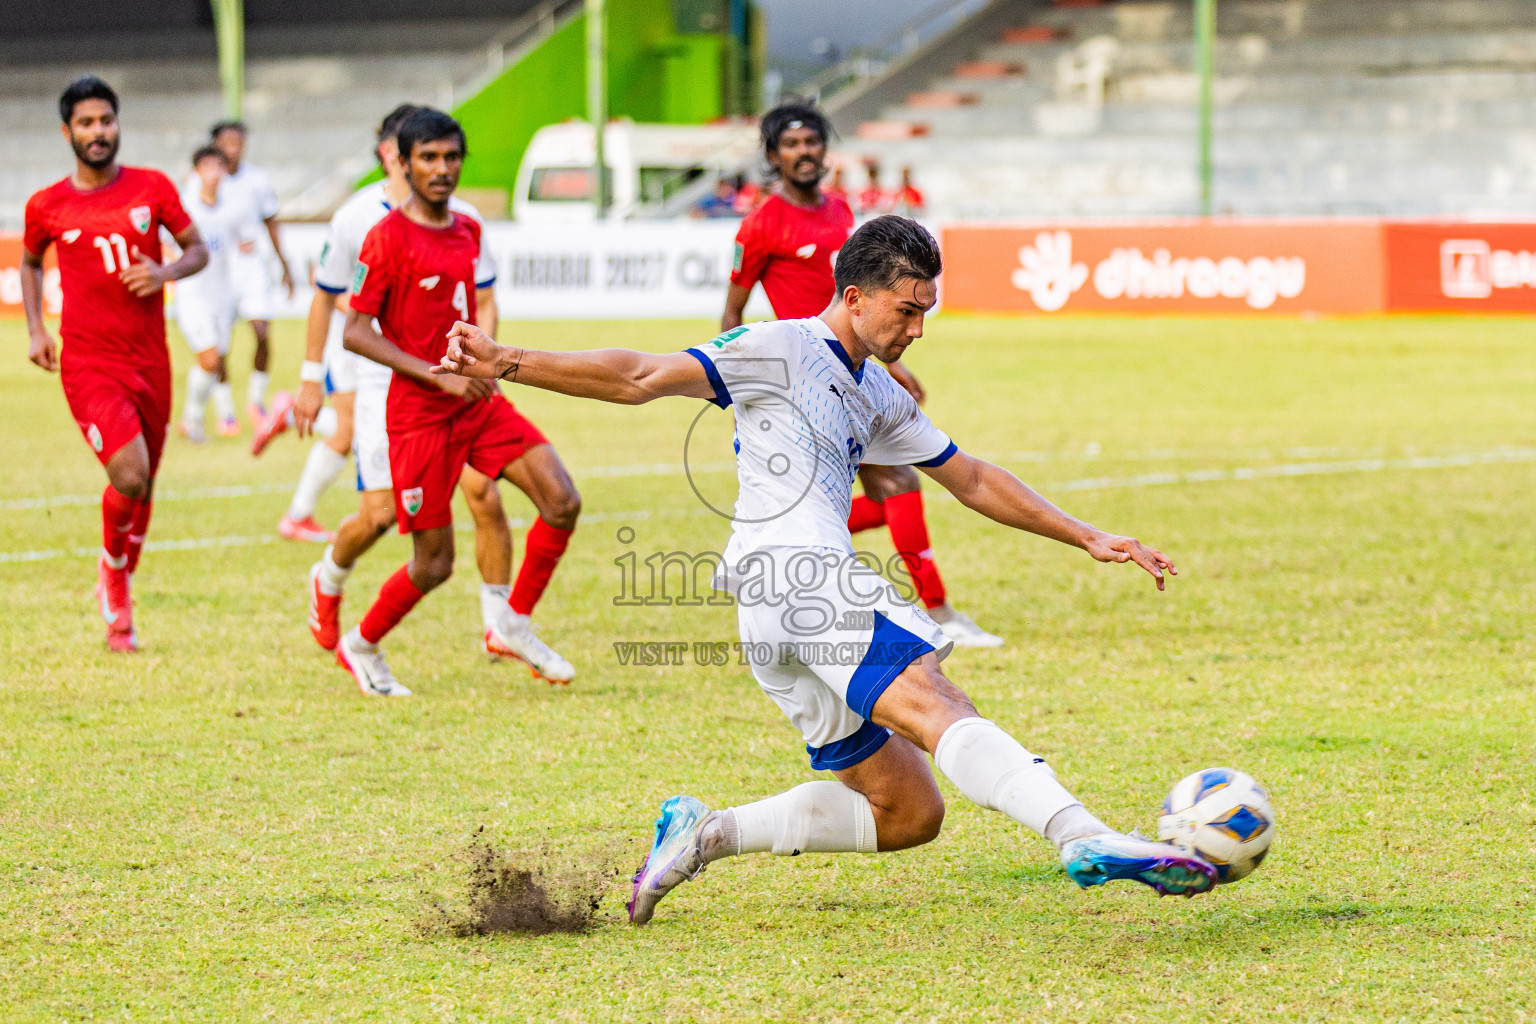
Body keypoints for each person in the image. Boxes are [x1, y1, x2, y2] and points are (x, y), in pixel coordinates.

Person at [430, 215, 1218, 923]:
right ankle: (1083, 835)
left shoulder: (877, 392)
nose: (916, 328)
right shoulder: (780, 346)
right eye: (907, 310)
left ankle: (706, 835)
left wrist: (1085, 535)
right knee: (934, 696)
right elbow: (641, 376)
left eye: (925, 312)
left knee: (907, 812)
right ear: (853, 296)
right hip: (799, 580)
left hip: (771, 610)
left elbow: (969, 476)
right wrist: (510, 361)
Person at [296, 105, 568, 689]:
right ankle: (362, 645)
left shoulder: (469, 229)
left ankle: (511, 622)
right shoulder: (384, 237)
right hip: (417, 413)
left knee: (561, 500)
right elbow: (356, 330)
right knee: (432, 563)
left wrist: (485, 358)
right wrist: (435, 374)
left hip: (476, 401)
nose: (442, 169)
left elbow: (466, 308)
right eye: (429, 158)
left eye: (450, 157)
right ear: (404, 163)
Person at [723, 102, 1001, 647]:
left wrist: (892, 364)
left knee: (886, 488)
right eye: (792, 144)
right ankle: (939, 612)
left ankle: (769, 550)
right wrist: (745, 391)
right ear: (773, 155)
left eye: (813, 142)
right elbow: (732, 313)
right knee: (900, 481)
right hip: (801, 378)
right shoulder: (760, 224)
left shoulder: (837, 211)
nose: (805, 153)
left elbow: (868, 306)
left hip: (855, 369)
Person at [21, 76, 209, 652]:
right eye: (86, 123)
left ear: (117, 124)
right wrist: (35, 328)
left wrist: (164, 273)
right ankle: (112, 572)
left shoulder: (152, 188)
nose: (98, 132)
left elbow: (198, 248)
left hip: (150, 360)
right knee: (128, 472)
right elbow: (29, 263)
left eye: (106, 120)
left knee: (145, 483)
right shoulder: (47, 204)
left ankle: (121, 582)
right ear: (67, 132)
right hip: (88, 362)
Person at [209, 120, 294, 426]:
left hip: (252, 268)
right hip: (220, 269)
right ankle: (225, 410)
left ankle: (256, 401)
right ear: (215, 145)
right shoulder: (207, 182)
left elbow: (271, 221)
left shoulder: (257, 179)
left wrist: (285, 265)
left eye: (238, 142)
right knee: (218, 344)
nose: (233, 148)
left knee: (261, 332)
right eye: (227, 143)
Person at [174, 145, 248, 442]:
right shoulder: (185, 208)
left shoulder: (233, 208)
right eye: (206, 167)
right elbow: (167, 240)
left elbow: (244, 240)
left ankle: (199, 418)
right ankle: (193, 419)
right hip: (193, 295)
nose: (213, 174)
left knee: (217, 358)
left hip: (222, 295)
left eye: (218, 167)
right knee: (210, 360)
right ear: (196, 172)